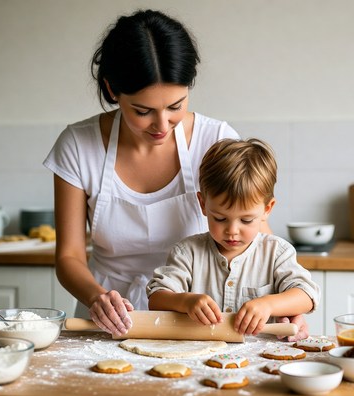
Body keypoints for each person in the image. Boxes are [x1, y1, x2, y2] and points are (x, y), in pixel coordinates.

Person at [43, 9, 308, 340]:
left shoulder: (215, 138)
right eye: (143, 111)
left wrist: (288, 307)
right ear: (113, 90)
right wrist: (98, 298)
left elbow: (259, 241)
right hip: (108, 320)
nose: (162, 124)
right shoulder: (78, 145)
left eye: (175, 106)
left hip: (196, 324)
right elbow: (68, 257)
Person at [147, 138, 320, 336]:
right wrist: (186, 301)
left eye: (246, 220)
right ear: (203, 204)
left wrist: (268, 304)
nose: (232, 230)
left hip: (262, 357)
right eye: (220, 218)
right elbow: (156, 298)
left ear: (267, 209)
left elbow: (307, 295)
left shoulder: (276, 253)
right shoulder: (188, 253)